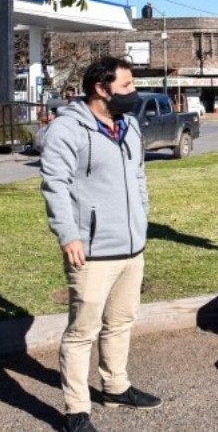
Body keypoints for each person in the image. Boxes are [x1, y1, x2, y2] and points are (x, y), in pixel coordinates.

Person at [40, 57, 162, 432]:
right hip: (90, 250)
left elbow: (138, 176)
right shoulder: (67, 129)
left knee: (121, 321)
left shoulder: (129, 125)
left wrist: (141, 219)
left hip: (131, 247)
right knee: (82, 331)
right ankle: (76, 410)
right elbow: (54, 184)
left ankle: (115, 386)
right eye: (126, 86)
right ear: (101, 88)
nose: (133, 93)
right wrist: (69, 234)